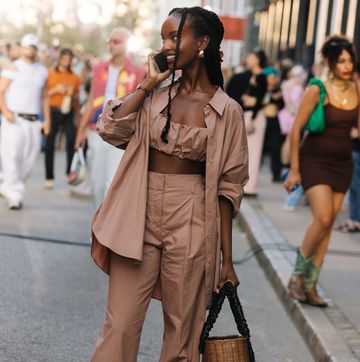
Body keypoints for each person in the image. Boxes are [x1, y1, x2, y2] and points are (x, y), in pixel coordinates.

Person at [89, 7, 248, 361]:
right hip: (139, 210)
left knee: (183, 331)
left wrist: (227, 260)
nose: (166, 45)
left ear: (203, 42)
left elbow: (228, 188)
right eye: (163, 38)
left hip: (193, 214)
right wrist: (146, 85)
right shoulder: (155, 96)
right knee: (120, 324)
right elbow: (110, 129)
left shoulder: (228, 111)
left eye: (175, 37)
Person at [285, 35, 360, 307]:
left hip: (343, 163)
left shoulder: (356, 89)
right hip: (314, 158)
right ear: (330, 62)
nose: (347, 65)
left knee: (327, 227)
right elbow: (296, 130)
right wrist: (294, 169)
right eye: (341, 61)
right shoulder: (317, 89)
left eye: (350, 60)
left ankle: (311, 285)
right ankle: (296, 278)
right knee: (324, 216)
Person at [75, 27, 146, 207]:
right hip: (96, 129)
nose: (111, 45)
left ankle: (105, 232)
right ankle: (99, 225)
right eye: (110, 41)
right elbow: (91, 100)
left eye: (116, 41)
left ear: (126, 44)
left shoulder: (138, 72)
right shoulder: (98, 68)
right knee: (97, 184)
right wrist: (81, 131)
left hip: (121, 133)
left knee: (112, 183)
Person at [0, 34, 49, 209]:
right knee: (12, 156)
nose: (30, 50)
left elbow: (44, 97)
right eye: (28, 47)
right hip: (14, 119)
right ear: (22, 48)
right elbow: (0, 91)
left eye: (33, 47)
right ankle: (14, 195)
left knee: (29, 159)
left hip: (34, 120)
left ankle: (8, 185)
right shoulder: (13, 68)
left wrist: (47, 120)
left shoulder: (42, 71)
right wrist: (5, 111)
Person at [226, 49, 267, 196]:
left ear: (257, 59)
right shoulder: (250, 76)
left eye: (250, 57)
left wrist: (253, 119)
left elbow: (259, 100)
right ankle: (243, 184)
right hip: (248, 115)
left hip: (254, 117)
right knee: (244, 151)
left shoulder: (262, 77)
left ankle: (250, 187)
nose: (248, 59)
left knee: (253, 152)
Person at [44, 48, 80, 189]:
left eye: (69, 59)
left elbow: (78, 98)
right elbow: (44, 94)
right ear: (60, 59)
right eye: (64, 58)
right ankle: (49, 177)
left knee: (71, 140)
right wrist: (56, 89)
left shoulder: (75, 77)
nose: (67, 61)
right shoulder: (50, 74)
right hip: (53, 110)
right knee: (49, 144)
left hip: (68, 111)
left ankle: (68, 173)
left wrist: (72, 94)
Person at [262, 66, 284, 182]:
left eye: (274, 77)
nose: (272, 79)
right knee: (260, 148)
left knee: (276, 148)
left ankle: (276, 173)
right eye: (270, 77)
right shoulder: (261, 89)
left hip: (274, 121)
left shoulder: (278, 90)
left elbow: (282, 105)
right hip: (263, 120)